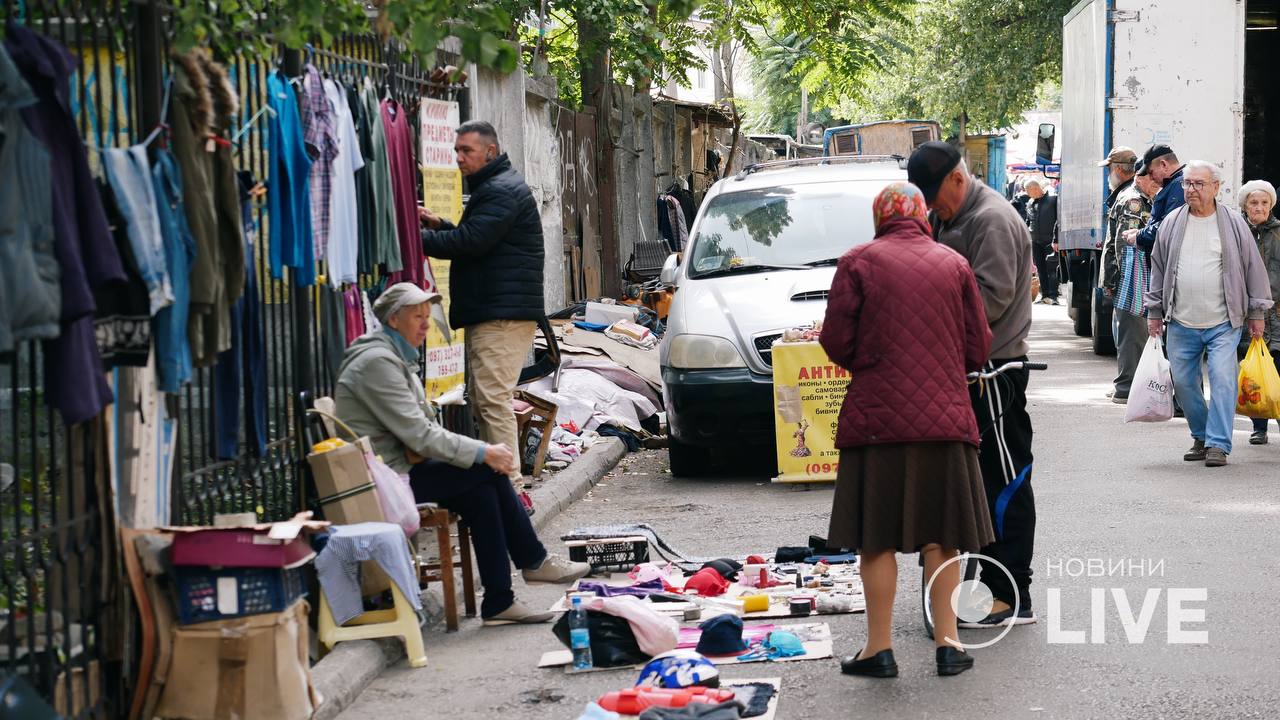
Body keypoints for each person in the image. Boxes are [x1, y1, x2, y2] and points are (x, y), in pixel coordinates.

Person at [334, 283, 588, 625]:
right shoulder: (378, 363)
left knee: (482, 489)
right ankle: (532, 563)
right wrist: (483, 451)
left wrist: (480, 455)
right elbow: (421, 436)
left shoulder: (393, 357)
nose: (425, 324)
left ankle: (501, 601)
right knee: (486, 470)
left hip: (400, 468)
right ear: (393, 321)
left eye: (427, 316)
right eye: (417, 317)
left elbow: (422, 428)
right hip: (383, 480)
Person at [822, 183, 994, 678]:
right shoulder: (954, 263)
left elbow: (836, 341)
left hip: (877, 420)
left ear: (879, 218)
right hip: (945, 418)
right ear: (922, 216)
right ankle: (949, 643)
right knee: (943, 536)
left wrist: (872, 364)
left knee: (875, 538)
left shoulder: (857, 262)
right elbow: (978, 348)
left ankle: (878, 649)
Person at [907, 141, 1037, 629]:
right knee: (975, 489)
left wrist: (921, 325)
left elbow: (990, 302)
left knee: (1005, 483)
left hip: (996, 376)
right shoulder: (951, 218)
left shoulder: (992, 220)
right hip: (963, 375)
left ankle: (1012, 594)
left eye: (935, 196)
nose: (931, 207)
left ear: (957, 181)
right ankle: (981, 589)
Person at [418, 120, 545, 488]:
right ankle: (502, 485)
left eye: (466, 151)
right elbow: (476, 238)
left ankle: (511, 487)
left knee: (491, 401)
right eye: (456, 150)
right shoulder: (495, 187)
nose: (458, 158)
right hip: (495, 311)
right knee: (488, 401)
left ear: (490, 151)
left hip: (501, 316)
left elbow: (470, 242)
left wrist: (414, 237)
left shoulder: (501, 190)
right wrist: (441, 224)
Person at [1144, 162, 1274, 467]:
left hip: (1223, 321)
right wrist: (1154, 310)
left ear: (1216, 187)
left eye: (1199, 184)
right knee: (1185, 383)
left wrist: (1257, 311)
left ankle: (1218, 443)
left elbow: (1253, 268)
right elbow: (1158, 267)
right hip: (1180, 320)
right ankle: (1201, 435)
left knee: (1223, 379)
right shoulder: (1173, 222)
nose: (1191, 190)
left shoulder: (1232, 223)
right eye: (1187, 184)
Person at [1100, 149, 1149, 402]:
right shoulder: (1130, 195)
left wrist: (1113, 280)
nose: (1108, 175)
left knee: (1130, 334)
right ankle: (1126, 383)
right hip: (1132, 278)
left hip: (1130, 279)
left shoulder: (1130, 198)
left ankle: (1126, 388)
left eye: (1109, 169)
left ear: (1118, 169)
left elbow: (1122, 245)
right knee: (1126, 333)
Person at [1236, 179, 1280, 444]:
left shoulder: (1278, 233)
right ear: (1245, 205)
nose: (1259, 207)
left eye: (1264, 202)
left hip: (1277, 314)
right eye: (1254, 202)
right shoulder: (1237, 233)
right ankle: (1259, 427)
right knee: (1252, 370)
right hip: (1246, 316)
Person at [1125, 144, 1186, 253]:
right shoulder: (1174, 185)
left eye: (1151, 172)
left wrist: (1139, 235)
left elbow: (1169, 226)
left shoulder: (1178, 186)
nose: (1151, 178)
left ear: (1163, 165)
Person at [1024, 177, 1060, 305]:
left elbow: (1058, 220)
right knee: (1040, 268)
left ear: (1035, 188)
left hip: (1051, 240)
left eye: (1028, 190)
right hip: (1035, 241)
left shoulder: (1052, 199)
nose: (1027, 193)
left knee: (1052, 268)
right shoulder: (1030, 202)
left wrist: (1056, 239)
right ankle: (1044, 295)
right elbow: (1028, 221)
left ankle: (1053, 296)